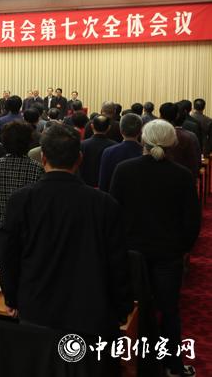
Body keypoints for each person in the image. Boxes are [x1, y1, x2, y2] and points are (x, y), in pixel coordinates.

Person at [0, 123, 132, 343]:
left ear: (43, 158)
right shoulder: (104, 204)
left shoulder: (21, 200)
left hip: (35, 306)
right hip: (89, 309)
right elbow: (118, 262)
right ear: (79, 159)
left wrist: (11, 297)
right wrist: (122, 307)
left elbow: (8, 255)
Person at [109, 119, 200, 377]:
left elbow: (113, 212)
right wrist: (182, 248)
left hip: (130, 252)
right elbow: (192, 221)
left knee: (128, 309)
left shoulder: (124, 170)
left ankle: (126, 363)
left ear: (143, 139)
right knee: (169, 311)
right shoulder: (182, 175)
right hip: (168, 254)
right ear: (172, 143)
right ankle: (173, 366)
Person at [0, 122, 44, 227]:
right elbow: (38, 203)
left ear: (4, 142)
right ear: (29, 142)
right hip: (26, 226)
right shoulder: (37, 168)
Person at [98, 113, 143, 192]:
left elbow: (103, 183)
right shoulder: (145, 152)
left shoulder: (108, 152)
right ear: (140, 131)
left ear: (121, 130)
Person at [159, 102, 201, 174]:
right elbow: (196, 163)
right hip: (183, 176)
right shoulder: (190, 136)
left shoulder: (153, 133)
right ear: (177, 116)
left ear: (160, 116)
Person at [79, 115, 117, 187]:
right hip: (105, 186)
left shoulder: (82, 145)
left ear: (92, 126)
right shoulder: (115, 146)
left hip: (85, 185)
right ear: (109, 128)